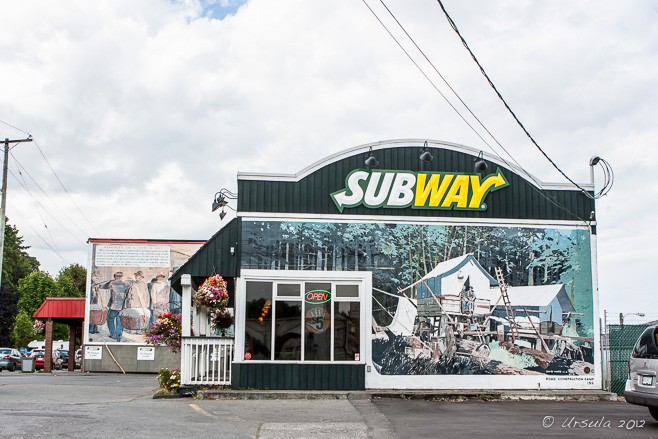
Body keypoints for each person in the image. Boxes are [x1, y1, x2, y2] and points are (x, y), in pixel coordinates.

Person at [101, 272, 129, 341]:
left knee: (110, 319)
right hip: (122, 306)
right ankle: (119, 335)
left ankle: (113, 334)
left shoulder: (112, 283)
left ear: (115, 277)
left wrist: (110, 281)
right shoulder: (125, 284)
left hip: (114, 305)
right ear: (121, 277)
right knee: (119, 321)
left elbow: (103, 287)